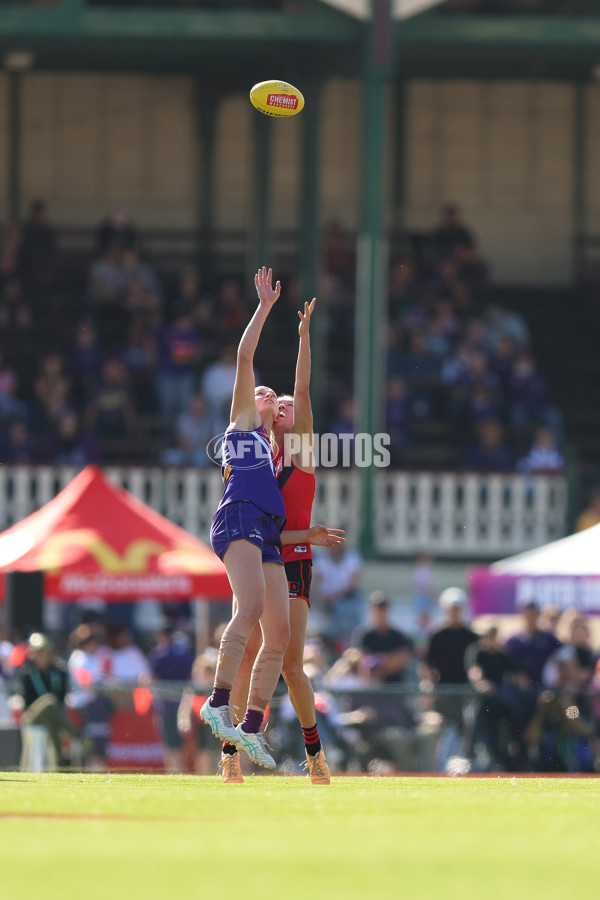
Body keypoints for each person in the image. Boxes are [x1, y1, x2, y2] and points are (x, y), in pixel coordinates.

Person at [219, 295, 344, 785]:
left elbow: (303, 387)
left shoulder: (302, 453)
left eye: (289, 406)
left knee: (291, 662)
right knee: (250, 650)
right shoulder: (259, 451)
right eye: (279, 403)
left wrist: (304, 337)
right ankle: (232, 750)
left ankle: (313, 751)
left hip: (294, 558)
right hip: (264, 548)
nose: (286, 406)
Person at [198, 266, 292, 771]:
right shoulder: (242, 422)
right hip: (238, 517)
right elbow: (244, 356)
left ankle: (250, 727)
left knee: (278, 633)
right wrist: (265, 308)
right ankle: (216, 702)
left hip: (267, 531)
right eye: (263, 393)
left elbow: (304, 409)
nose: (267, 395)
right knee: (251, 607)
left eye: (273, 398)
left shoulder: (275, 446)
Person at [424, 587, 478, 769]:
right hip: (444, 694)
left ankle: (465, 769)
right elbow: (428, 667)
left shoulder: (471, 637)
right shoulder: (437, 636)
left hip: (467, 695)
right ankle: (438, 769)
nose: (454, 613)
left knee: (467, 733)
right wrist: (430, 692)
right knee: (443, 733)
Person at [20, 633, 81, 768]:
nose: (40, 655)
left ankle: (59, 764)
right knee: (49, 701)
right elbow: (28, 702)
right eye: (37, 652)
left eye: (43, 652)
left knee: (51, 720)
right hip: (33, 716)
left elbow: (62, 698)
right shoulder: (28, 673)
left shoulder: (59, 672)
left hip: (53, 717)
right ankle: (76, 737)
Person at [150, 626, 195, 774]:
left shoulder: (159, 654)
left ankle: (175, 774)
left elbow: (152, 678)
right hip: (184, 701)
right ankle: (179, 773)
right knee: (180, 744)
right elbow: (191, 676)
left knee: (170, 746)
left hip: (166, 703)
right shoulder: (184, 653)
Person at [352, 592, 413, 685]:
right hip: (370, 687)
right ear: (370, 609)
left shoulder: (398, 635)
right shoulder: (363, 635)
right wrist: (387, 660)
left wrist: (378, 661)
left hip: (394, 687)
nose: (380, 611)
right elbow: (361, 661)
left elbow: (401, 660)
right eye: (377, 607)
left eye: (383, 608)